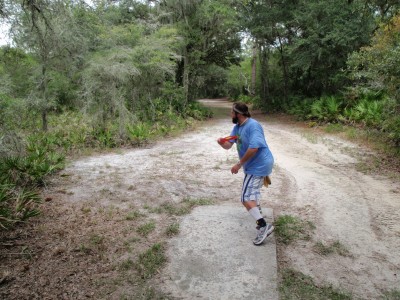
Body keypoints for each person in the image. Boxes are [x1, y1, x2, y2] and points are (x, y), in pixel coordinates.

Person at [217, 102, 275, 245]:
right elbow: (228, 145)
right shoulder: (237, 128)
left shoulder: (253, 126)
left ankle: (263, 225)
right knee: (250, 193)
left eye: (232, 112)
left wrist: (238, 164)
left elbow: (254, 148)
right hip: (253, 166)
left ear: (239, 114)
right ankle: (256, 209)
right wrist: (221, 142)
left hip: (259, 165)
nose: (230, 114)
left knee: (245, 197)